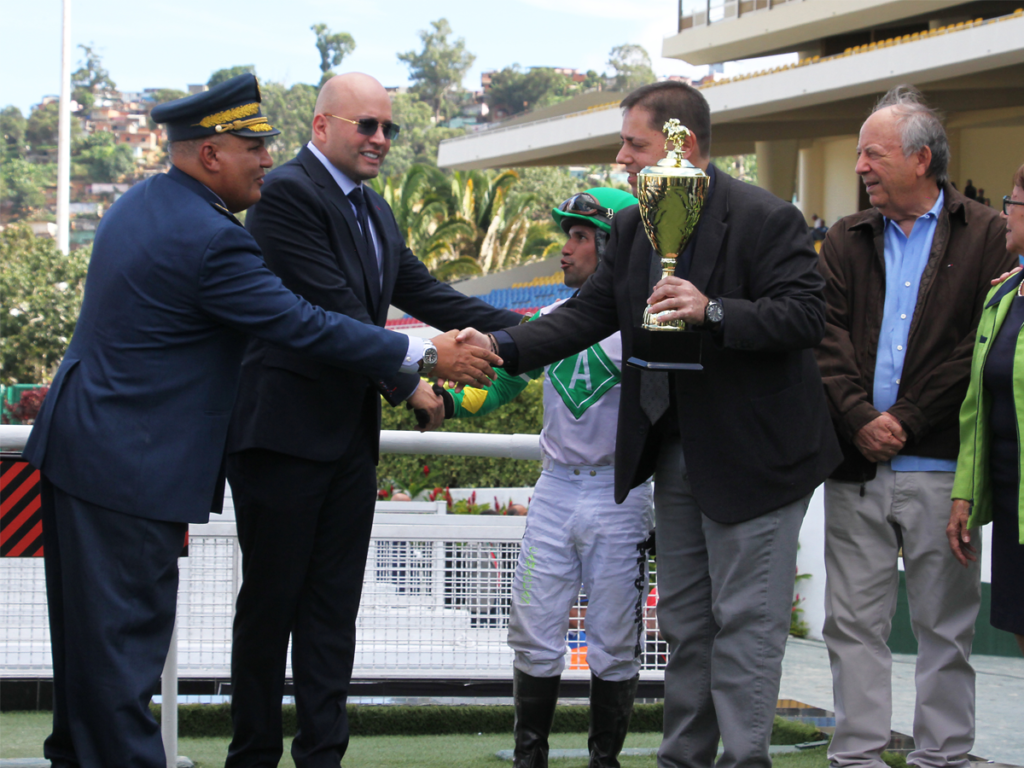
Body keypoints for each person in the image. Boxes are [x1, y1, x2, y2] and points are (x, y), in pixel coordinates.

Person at [19, 74, 500, 768]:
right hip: (129, 468)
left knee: (91, 677)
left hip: (92, 454)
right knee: (121, 668)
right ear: (211, 154)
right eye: (253, 146)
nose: (267, 160)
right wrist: (426, 356)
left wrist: (519, 332)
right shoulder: (215, 239)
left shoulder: (146, 203)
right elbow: (304, 323)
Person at [461, 80, 840, 768]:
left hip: (758, 463)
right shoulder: (632, 228)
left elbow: (807, 317)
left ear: (680, 144)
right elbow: (586, 314)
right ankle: (682, 759)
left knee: (747, 627)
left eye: (633, 143)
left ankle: (743, 760)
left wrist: (714, 310)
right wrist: (502, 347)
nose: (621, 157)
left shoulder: (764, 218)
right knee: (686, 625)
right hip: (674, 457)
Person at [224, 72, 524, 768]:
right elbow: (329, 315)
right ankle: (253, 757)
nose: (382, 139)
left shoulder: (374, 210)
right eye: (368, 125)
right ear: (322, 126)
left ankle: (323, 756)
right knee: (272, 609)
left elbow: (427, 292)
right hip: (281, 440)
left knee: (332, 611)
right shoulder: (288, 196)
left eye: (388, 127)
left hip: (346, 442)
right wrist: (413, 379)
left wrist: (544, 334)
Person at [815, 85, 1011, 768]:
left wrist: (905, 418)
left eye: (873, 153)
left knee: (945, 632)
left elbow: (977, 348)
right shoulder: (843, 238)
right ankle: (857, 758)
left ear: (922, 158)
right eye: (859, 154)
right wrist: (861, 418)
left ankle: (942, 759)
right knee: (851, 628)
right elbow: (826, 340)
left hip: (943, 474)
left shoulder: (987, 233)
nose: (861, 165)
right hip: (855, 470)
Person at [441, 187, 654, 767]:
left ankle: (602, 760)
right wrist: (444, 403)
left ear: (613, 249)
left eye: (581, 238)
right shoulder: (551, 322)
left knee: (614, 639)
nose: (566, 250)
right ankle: (528, 755)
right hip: (556, 488)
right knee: (534, 626)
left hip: (622, 493)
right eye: (569, 236)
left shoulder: (646, 325)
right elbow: (500, 384)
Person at [948, 169, 1024, 659]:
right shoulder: (1005, 294)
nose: (1003, 214)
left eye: (1012, 202)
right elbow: (978, 405)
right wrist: (965, 495)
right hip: (1013, 500)